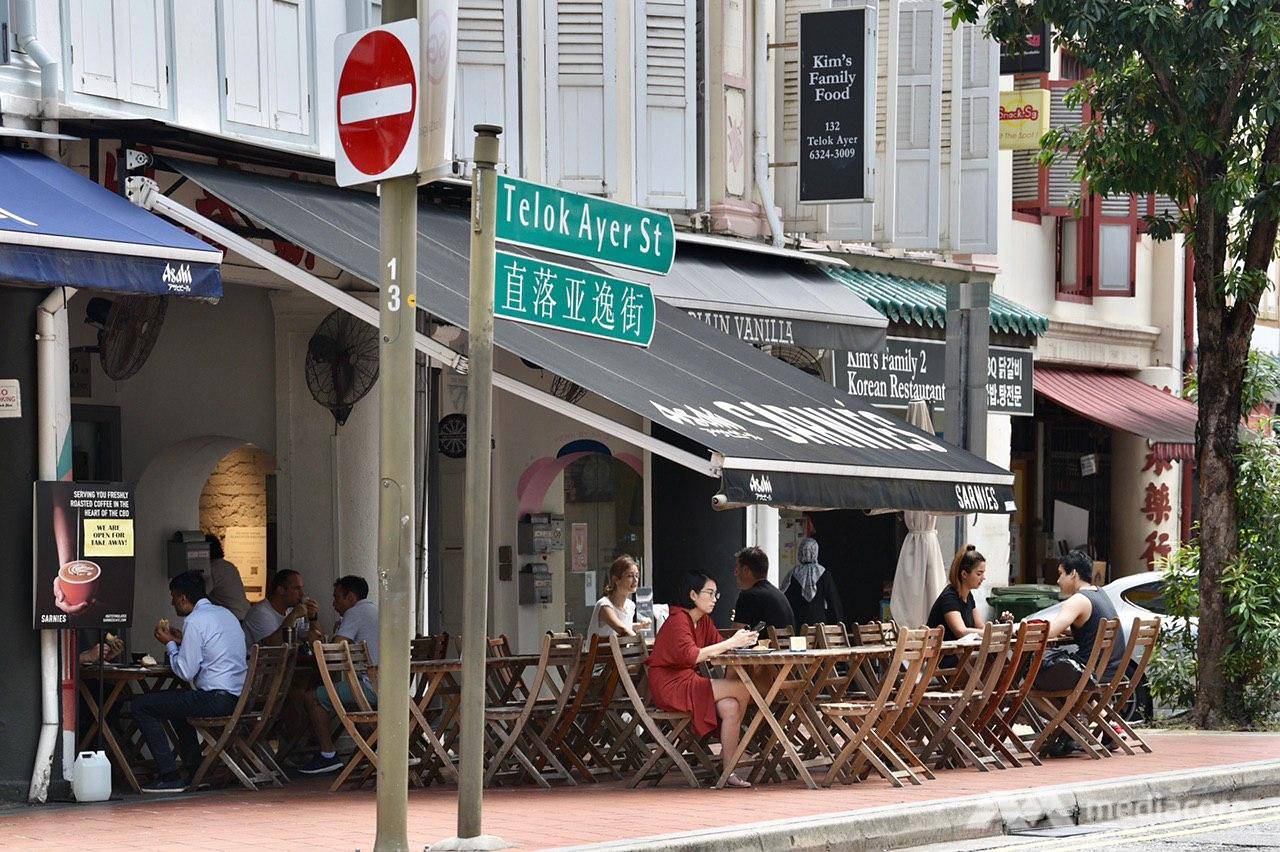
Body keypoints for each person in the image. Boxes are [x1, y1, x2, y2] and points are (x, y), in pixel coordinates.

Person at [133, 571, 247, 793]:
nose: (172, 602)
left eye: (173, 597)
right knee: (179, 707)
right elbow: (212, 648)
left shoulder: (195, 621)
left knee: (142, 705)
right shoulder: (226, 615)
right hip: (238, 698)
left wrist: (170, 644)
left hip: (216, 699)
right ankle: (195, 772)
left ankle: (169, 775)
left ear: (183, 598)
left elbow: (185, 671)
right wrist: (181, 640)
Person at [645, 571, 758, 788]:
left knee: (731, 706)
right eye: (710, 593)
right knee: (743, 690)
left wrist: (743, 642)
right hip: (671, 686)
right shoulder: (678, 620)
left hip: (689, 680)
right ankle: (733, 754)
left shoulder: (702, 621)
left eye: (716, 594)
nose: (715, 598)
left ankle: (728, 771)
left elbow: (719, 646)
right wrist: (730, 643)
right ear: (693, 595)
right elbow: (693, 655)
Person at [296, 575, 380, 775]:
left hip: (371, 688)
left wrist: (314, 639)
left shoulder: (355, 612)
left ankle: (327, 754)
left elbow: (333, 654)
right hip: (390, 689)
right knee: (335, 694)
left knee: (313, 697)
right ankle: (369, 748)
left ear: (350, 597)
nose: (333, 604)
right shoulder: (375, 610)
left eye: (337, 598)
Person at [1043, 550, 1126, 679]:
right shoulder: (1100, 593)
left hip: (1088, 675)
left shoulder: (1079, 600)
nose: (1058, 580)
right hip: (1111, 673)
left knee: (1033, 672)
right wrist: (1068, 631)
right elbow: (1092, 629)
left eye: (1061, 574)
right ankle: (1087, 701)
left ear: (1073, 574)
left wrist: (1018, 628)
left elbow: (1049, 632)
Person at [927, 545, 1012, 641]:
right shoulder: (949, 597)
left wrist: (1001, 626)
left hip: (961, 654)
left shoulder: (968, 596)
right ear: (964, 574)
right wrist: (993, 633)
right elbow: (960, 631)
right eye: (979, 574)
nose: (983, 578)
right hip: (941, 655)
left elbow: (981, 627)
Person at [782, 537, 844, 630]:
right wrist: (839, 625)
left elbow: (784, 597)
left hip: (799, 623)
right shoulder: (823, 573)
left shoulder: (793, 574)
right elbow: (833, 601)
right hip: (819, 624)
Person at [242, 569, 316, 646]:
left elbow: (316, 640)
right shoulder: (260, 612)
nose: (302, 593)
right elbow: (272, 646)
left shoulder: (292, 609)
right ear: (281, 590)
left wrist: (313, 618)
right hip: (258, 657)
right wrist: (293, 616)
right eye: (297, 589)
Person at [586, 555, 652, 638]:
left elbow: (624, 627)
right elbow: (622, 630)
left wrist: (639, 626)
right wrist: (642, 643)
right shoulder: (604, 606)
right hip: (602, 651)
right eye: (630, 576)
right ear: (616, 579)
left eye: (637, 575)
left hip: (621, 650)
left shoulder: (630, 606)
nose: (635, 580)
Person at [731, 546, 794, 632]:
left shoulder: (748, 596)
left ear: (746, 570)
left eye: (737, 568)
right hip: (786, 645)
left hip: (764, 645)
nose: (735, 573)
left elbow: (736, 637)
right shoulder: (779, 595)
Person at [203, 534, 250, 621]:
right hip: (244, 614)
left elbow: (200, 595)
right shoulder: (228, 565)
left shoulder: (212, 569)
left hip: (233, 616)